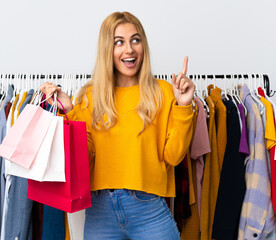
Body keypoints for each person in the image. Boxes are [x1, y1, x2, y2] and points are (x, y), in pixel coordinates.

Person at [40, 11, 195, 240]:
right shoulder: (90, 96)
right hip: (99, 211)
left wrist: (183, 106)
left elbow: (173, 156)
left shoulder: (162, 92)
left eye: (135, 40)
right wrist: (69, 111)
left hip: (149, 209)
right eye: (119, 42)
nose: (129, 49)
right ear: (107, 50)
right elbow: (85, 157)